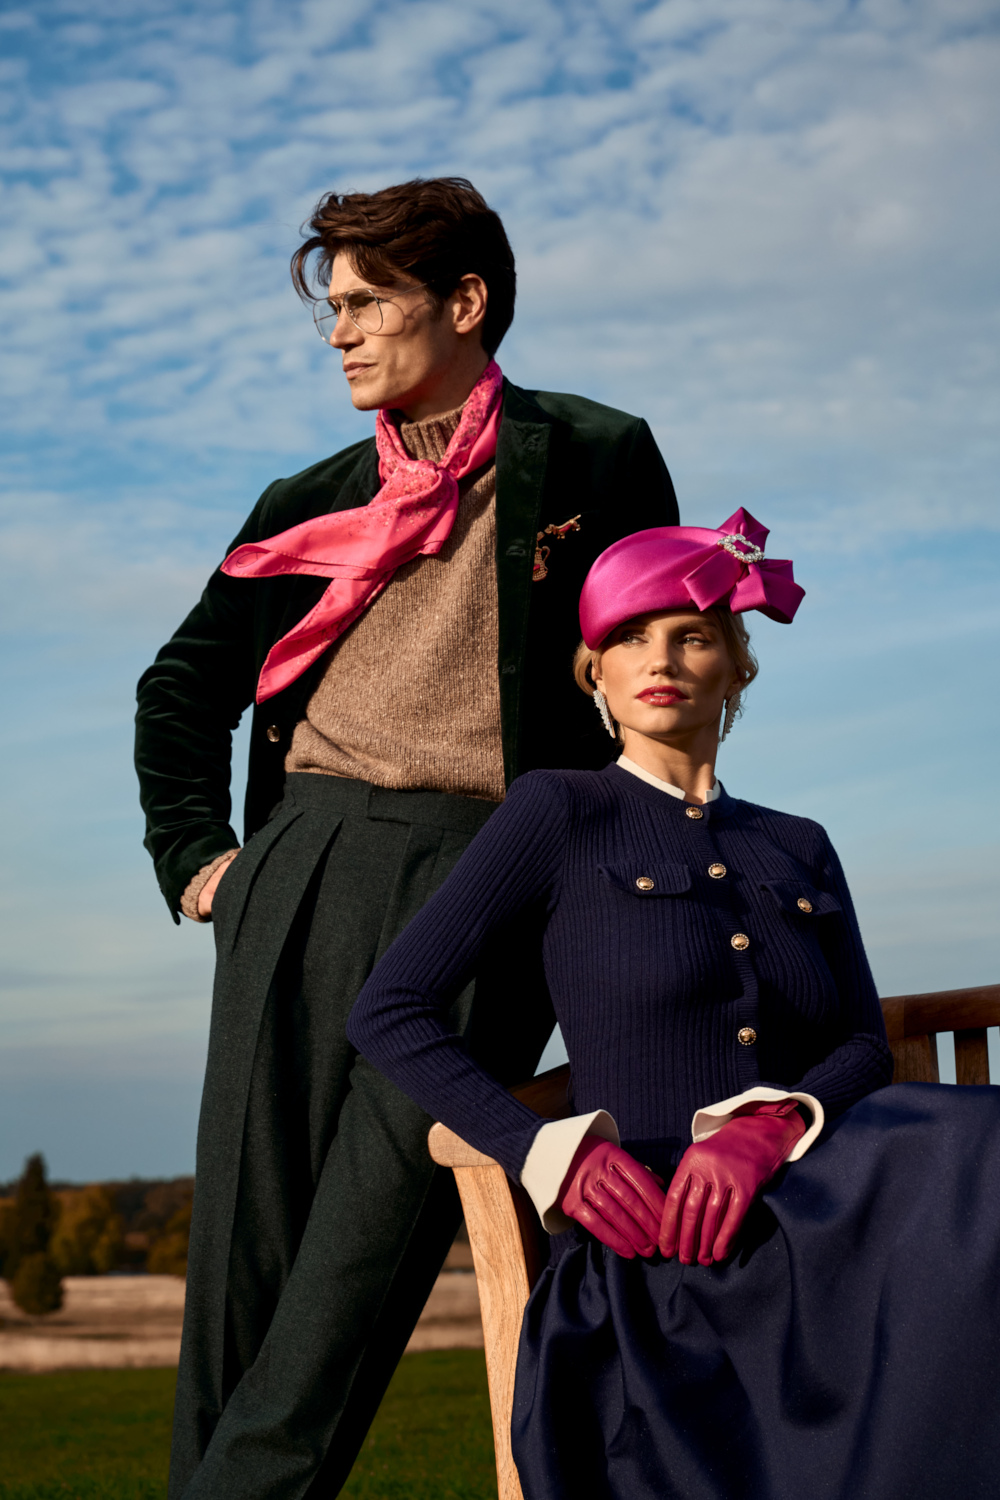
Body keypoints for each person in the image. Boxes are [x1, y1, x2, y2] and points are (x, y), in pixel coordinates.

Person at [134, 175, 678, 1499]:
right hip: (301, 867)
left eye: (367, 302)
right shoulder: (303, 500)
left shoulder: (595, 454)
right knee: (245, 1264)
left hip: (490, 879)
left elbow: (653, 665)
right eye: (331, 306)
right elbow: (181, 689)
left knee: (362, 1254)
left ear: (466, 301)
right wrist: (201, 861)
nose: (339, 332)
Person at [348, 508, 1000, 1499]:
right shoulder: (558, 811)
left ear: (735, 666)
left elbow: (862, 1045)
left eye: (691, 635)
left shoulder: (798, 841)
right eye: (628, 638)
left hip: (827, 1203)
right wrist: (552, 1154)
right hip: (662, 1247)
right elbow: (390, 1010)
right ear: (595, 674)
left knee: (979, 1148)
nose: (660, 658)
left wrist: (771, 1125)